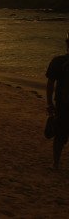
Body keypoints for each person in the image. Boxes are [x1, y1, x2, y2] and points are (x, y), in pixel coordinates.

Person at [46, 34, 69, 169]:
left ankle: (56, 163)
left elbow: (50, 83)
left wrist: (49, 103)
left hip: (62, 105)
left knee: (60, 136)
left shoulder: (58, 61)